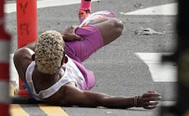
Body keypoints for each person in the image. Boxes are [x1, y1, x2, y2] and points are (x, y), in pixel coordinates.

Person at [13, 11, 161, 108]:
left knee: (116, 26)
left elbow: (37, 46)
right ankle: (78, 30)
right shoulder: (67, 92)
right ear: (64, 61)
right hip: (81, 75)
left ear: (34, 58)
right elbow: (103, 99)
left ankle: (72, 31)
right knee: (116, 24)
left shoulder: (21, 57)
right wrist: (136, 100)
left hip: (61, 53)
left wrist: (62, 36)